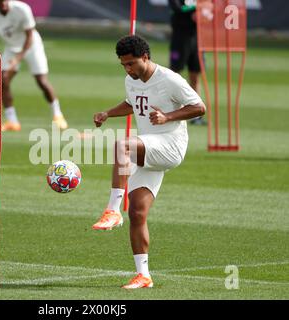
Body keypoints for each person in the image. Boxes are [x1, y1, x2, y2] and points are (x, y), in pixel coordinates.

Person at [91, 35, 206, 289]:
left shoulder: (170, 79)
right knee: (137, 212)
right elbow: (133, 104)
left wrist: (168, 117)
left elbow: (199, 107)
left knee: (123, 145)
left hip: (170, 145)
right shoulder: (130, 79)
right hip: (148, 147)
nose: (128, 69)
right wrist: (108, 113)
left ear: (145, 57)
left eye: (131, 63)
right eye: (123, 65)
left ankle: (112, 211)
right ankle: (144, 276)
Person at [0, 0, 68, 132]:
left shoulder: (22, 9)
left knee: (41, 81)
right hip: (11, 48)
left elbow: (29, 36)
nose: (3, 3)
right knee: (3, 81)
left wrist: (17, 59)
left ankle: (58, 115)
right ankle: (12, 121)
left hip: (32, 46)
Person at [169, 0, 205, 125]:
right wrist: (196, 7)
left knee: (195, 75)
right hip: (180, 37)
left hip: (197, 37)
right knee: (174, 75)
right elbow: (177, 8)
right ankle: (172, 111)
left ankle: (196, 116)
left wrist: (204, 13)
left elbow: (210, 7)